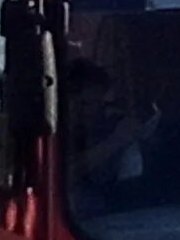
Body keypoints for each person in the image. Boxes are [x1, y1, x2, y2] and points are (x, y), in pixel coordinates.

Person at [66, 57, 159, 198]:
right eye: (85, 104)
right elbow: (62, 175)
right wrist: (115, 141)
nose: (95, 110)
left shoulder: (112, 123)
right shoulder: (52, 138)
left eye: (99, 101)